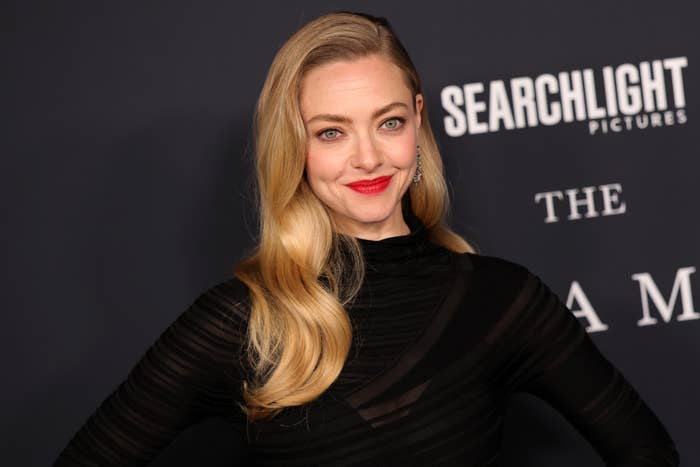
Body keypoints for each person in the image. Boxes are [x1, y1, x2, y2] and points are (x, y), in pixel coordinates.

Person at [54, 11, 679, 467]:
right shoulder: (246, 320)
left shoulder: (501, 298)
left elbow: (648, 450)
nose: (369, 157)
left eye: (389, 122)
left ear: (418, 120)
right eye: (331, 132)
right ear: (293, 147)